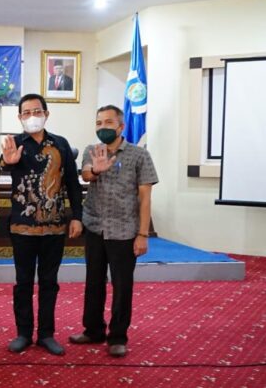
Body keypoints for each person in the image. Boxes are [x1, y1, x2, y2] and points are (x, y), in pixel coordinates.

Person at [68, 105, 158, 357]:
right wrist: (97, 169)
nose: (102, 127)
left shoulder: (139, 155)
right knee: (93, 282)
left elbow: (145, 198)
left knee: (122, 286)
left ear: (121, 126)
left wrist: (142, 234)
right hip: (95, 227)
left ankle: (118, 337)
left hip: (124, 230)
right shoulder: (92, 150)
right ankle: (93, 330)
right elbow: (86, 175)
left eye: (108, 122)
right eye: (98, 123)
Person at [0, 94, 83, 356]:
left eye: (37, 111)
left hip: (54, 227)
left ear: (46, 114)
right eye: (26, 112)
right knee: (23, 282)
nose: (32, 116)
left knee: (49, 282)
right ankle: (23, 333)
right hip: (22, 227)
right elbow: (2, 164)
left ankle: (46, 334)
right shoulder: (14, 143)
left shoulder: (60, 144)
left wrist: (77, 216)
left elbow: (73, 183)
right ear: (19, 117)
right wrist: (7, 162)